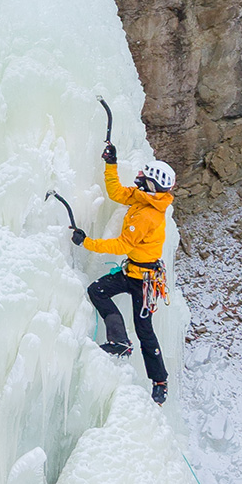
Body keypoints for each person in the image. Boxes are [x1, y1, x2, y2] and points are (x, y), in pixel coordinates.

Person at [71, 141, 176, 404]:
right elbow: (117, 192)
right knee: (97, 291)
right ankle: (119, 341)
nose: (139, 177)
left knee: (145, 331)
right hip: (132, 273)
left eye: (144, 176)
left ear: (152, 184)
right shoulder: (142, 199)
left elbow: (122, 245)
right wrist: (111, 163)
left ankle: (160, 381)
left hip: (145, 281)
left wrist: (87, 243)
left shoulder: (148, 216)